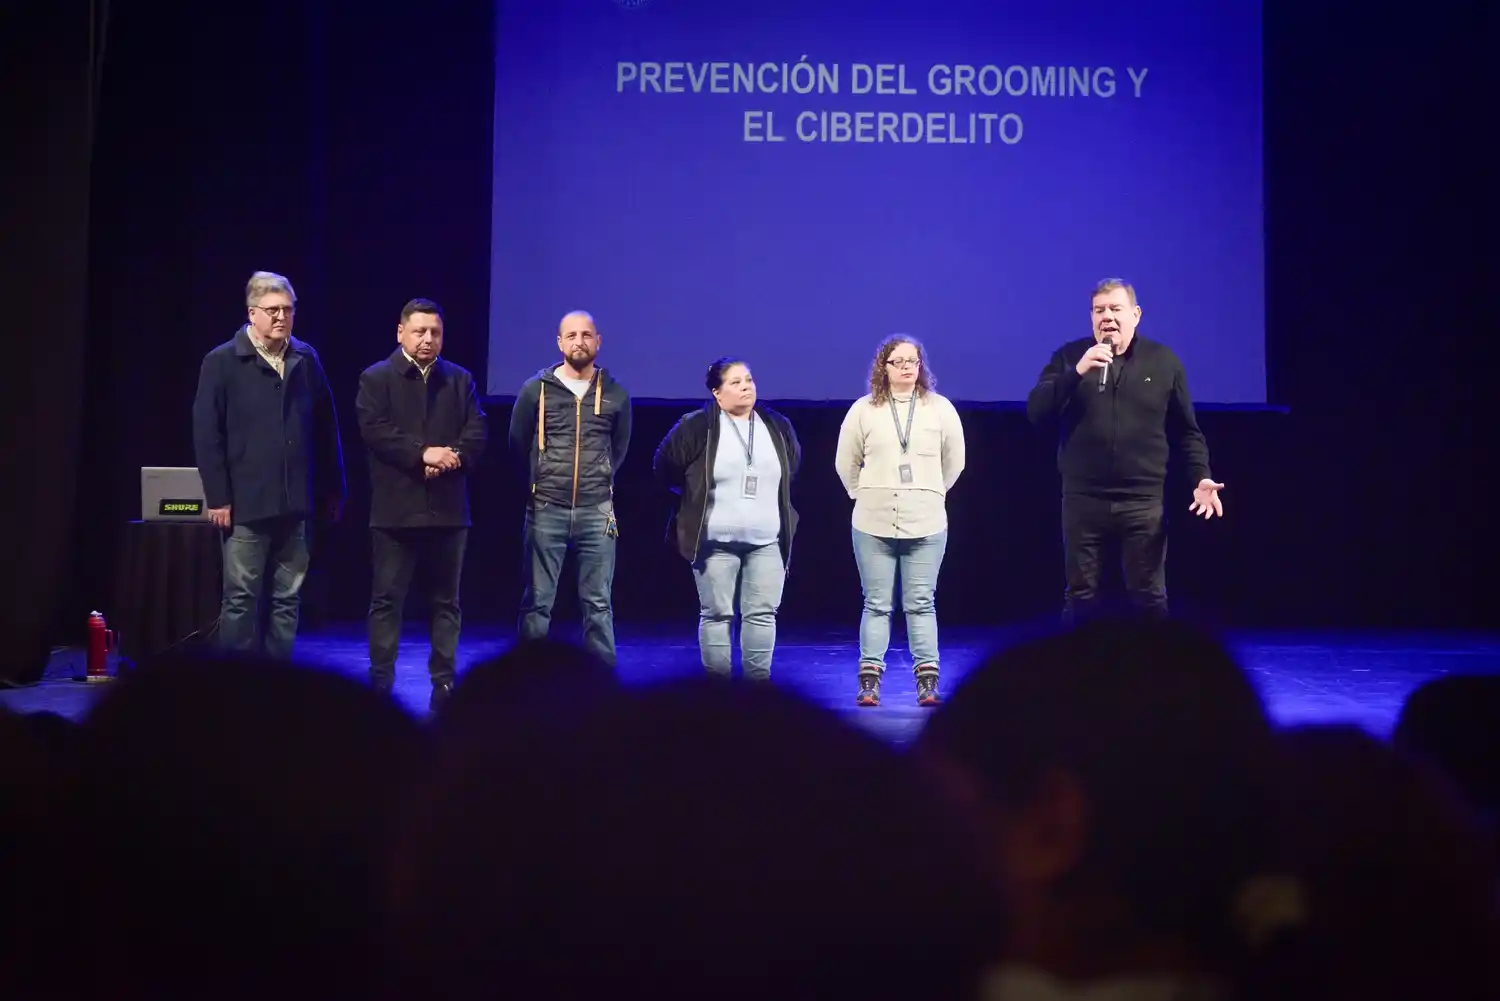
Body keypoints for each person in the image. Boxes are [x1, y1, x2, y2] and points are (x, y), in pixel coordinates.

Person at [1026, 278, 1224, 623]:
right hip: (1084, 498)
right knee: (1081, 595)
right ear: (1091, 318)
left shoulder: (1163, 362)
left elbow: (1187, 431)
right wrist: (1077, 372)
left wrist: (1200, 477)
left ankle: (1154, 659)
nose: (1107, 317)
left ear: (1136, 314)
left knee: (1148, 595)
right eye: (1099, 310)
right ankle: (1078, 659)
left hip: (1142, 500)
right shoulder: (1070, 358)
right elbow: (1036, 410)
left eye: (1115, 309)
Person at [192, 270, 345, 660]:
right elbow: (207, 434)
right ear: (252, 313)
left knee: (287, 598)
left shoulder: (306, 358)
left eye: (288, 310)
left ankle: (278, 680)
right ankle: (236, 681)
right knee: (241, 598)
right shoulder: (222, 361)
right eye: (273, 310)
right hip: (247, 504)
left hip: (296, 503)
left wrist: (334, 488)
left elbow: (326, 427)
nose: (281, 317)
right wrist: (218, 497)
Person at [355, 298, 488, 713]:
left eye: (435, 332)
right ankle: (380, 686)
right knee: (387, 603)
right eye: (419, 331)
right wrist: (421, 454)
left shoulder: (459, 379)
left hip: (448, 511)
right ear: (401, 333)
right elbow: (375, 430)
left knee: (446, 603)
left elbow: (477, 430)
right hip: (395, 511)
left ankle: (444, 685)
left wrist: (452, 457)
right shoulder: (376, 378)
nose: (428, 338)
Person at [834, 335, 966, 708]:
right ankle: (869, 681)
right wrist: (863, 493)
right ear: (884, 367)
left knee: (921, 602)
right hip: (873, 522)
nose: (907, 367)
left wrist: (931, 492)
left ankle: (927, 681)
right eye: (898, 361)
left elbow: (955, 461)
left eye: (913, 361)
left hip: (926, 522)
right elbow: (845, 462)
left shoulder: (940, 409)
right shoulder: (864, 410)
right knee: (876, 603)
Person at [653, 358, 801, 682]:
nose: (746, 386)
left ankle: (757, 689)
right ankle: (718, 693)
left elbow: (792, 466)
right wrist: (692, 494)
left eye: (748, 379)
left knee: (762, 614)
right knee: (717, 614)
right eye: (735, 382)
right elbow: (665, 466)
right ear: (717, 393)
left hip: (767, 540)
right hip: (713, 541)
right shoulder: (697, 426)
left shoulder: (776, 425)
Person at [507, 310, 632, 667]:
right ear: (560, 342)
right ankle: (529, 677)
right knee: (537, 602)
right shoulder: (536, 390)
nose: (580, 341)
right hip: (547, 508)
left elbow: (620, 447)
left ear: (598, 342)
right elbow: (517, 443)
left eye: (586, 335)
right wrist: (540, 481)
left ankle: (603, 681)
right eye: (572, 335)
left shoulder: (616, 393)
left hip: (597, 511)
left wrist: (600, 479)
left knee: (598, 603)